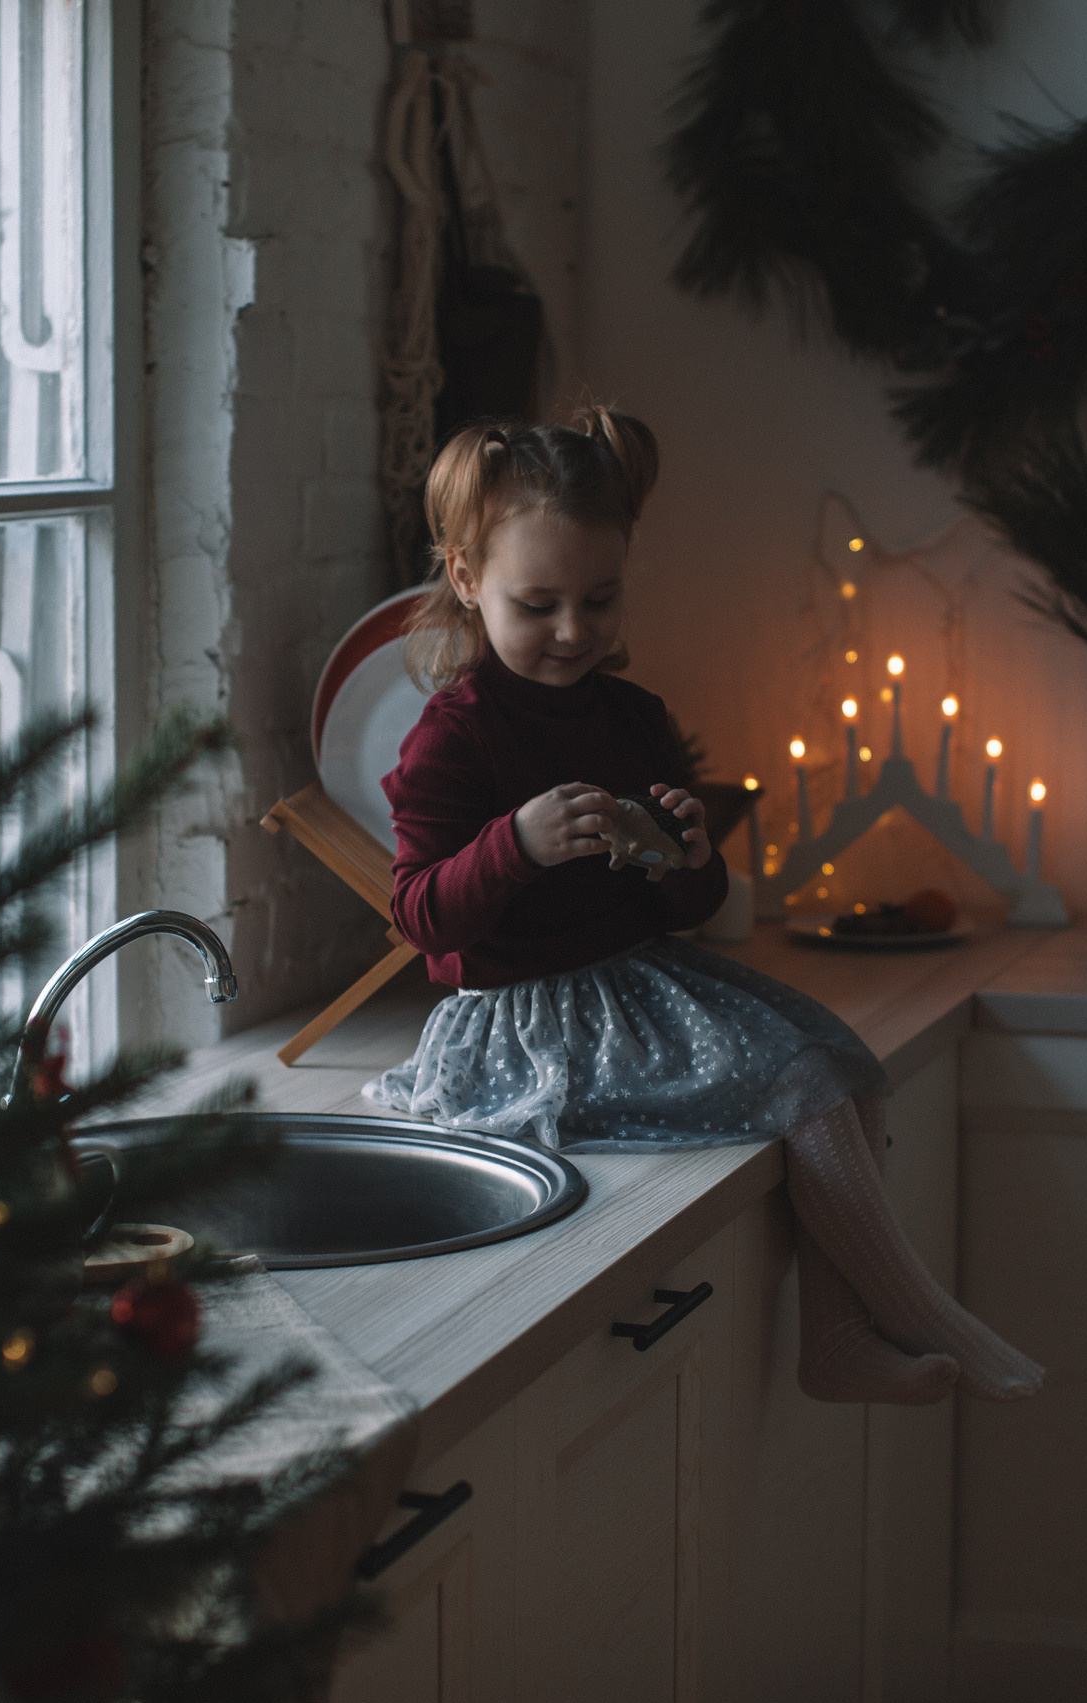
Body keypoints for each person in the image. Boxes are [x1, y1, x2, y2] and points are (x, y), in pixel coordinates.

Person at [362, 408, 1043, 1407]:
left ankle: (839, 1335)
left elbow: (688, 907)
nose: (572, 632)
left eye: (599, 601)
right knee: (805, 1084)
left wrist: (682, 853)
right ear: (465, 579)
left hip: (633, 988)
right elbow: (421, 919)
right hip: (525, 1025)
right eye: (538, 603)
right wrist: (514, 846)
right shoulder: (450, 740)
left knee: (843, 1067)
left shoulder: (631, 718)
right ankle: (921, 1315)